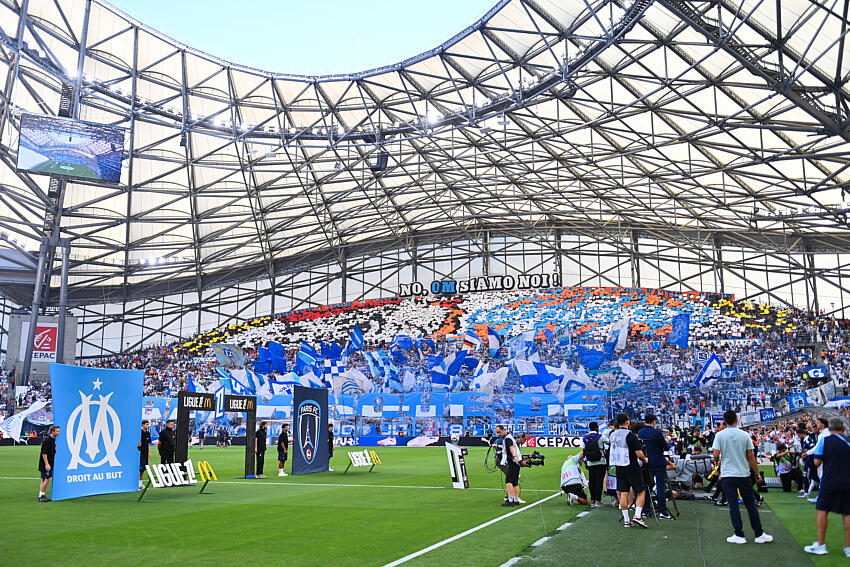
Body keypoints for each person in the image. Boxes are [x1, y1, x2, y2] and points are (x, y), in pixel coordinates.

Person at [712, 410, 773, 544]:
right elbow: (751, 456)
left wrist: (718, 463)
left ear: (724, 421)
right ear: (737, 420)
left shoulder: (720, 435)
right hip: (743, 474)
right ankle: (759, 534)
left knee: (733, 505)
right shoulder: (745, 435)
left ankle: (739, 534)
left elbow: (715, 455)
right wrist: (757, 473)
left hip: (728, 474)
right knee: (750, 505)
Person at [804, 418, 850, 557]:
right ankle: (848, 548)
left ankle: (821, 545)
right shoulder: (848, 442)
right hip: (848, 481)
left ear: (829, 429)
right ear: (843, 429)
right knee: (847, 513)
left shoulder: (825, 440)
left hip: (829, 480)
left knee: (822, 510)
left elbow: (817, 462)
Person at [609, 413, 649, 528]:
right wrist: (645, 459)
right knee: (641, 490)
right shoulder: (630, 435)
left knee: (623, 493)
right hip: (630, 465)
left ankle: (627, 520)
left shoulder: (613, 435)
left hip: (618, 465)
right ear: (627, 422)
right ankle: (637, 515)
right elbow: (639, 453)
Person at [638, 414, 673, 520]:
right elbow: (666, 447)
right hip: (658, 461)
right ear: (653, 422)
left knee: (646, 486)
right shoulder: (657, 433)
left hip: (646, 462)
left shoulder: (640, 432)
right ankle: (663, 511)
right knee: (660, 486)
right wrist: (667, 441)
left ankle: (645, 510)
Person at [581, 421, 609, 507]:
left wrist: (585, 462)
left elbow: (584, 451)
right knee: (599, 481)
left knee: (592, 481)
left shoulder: (585, 438)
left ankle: (593, 500)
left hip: (590, 462)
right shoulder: (600, 436)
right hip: (600, 461)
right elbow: (609, 442)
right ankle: (598, 500)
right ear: (596, 427)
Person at [496, 424, 523, 506]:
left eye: (499, 432)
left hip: (513, 462)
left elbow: (511, 448)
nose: (498, 434)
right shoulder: (508, 437)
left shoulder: (507, 438)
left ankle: (510, 501)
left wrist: (514, 456)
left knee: (509, 481)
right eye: (497, 433)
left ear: (503, 430)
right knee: (515, 482)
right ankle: (516, 500)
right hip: (516, 462)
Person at [37, 425, 59, 502]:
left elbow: (50, 453)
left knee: (44, 479)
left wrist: (55, 450)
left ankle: (41, 495)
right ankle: (41, 496)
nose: (58, 432)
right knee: (47, 478)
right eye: (57, 431)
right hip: (46, 464)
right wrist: (47, 464)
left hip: (49, 463)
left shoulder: (53, 440)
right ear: (52, 432)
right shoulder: (47, 440)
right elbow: (44, 453)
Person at [138, 420, 152, 490]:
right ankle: (135, 484)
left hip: (145, 453)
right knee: (138, 468)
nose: (148, 425)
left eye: (148, 424)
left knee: (143, 469)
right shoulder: (139, 433)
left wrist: (149, 452)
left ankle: (140, 484)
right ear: (143, 425)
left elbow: (148, 443)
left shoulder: (148, 433)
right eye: (147, 424)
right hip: (139, 453)